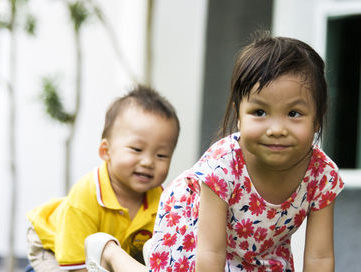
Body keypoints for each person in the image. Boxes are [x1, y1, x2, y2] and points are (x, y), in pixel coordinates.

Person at [87, 32, 344, 272]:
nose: (276, 129)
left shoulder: (322, 175)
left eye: (294, 114)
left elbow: (319, 256)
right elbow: (210, 252)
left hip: (259, 251)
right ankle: (109, 252)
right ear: (239, 116)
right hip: (195, 232)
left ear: (317, 120)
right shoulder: (223, 165)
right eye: (259, 112)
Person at [25, 84, 180, 272]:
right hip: (55, 246)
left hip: (100, 256)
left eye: (161, 155)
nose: (148, 162)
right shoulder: (87, 194)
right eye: (136, 149)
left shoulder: (164, 202)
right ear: (106, 151)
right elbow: (75, 263)